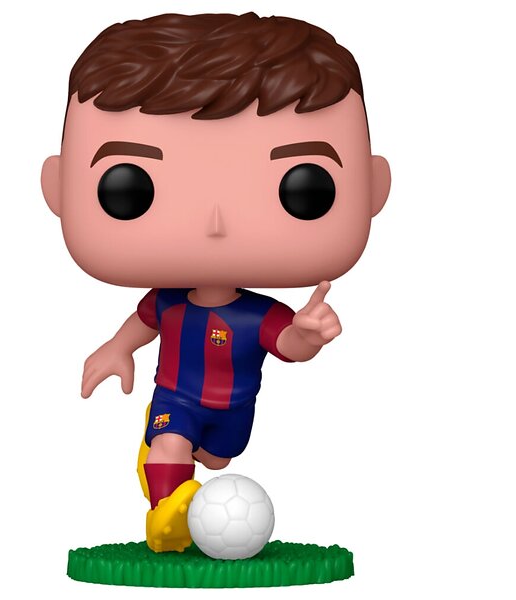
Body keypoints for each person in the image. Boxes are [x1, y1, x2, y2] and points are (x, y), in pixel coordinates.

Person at [41, 12, 391, 553]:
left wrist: (309, 333)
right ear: (58, 186)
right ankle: (166, 519)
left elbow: (288, 344)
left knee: (219, 458)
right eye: (128, 188)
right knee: (172, 445)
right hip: (176, 396)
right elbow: (143, 322)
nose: (215, 223)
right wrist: (116, 348)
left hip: (234, 408)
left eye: (304, 188)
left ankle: (170, 459)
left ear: (373, 187)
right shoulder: (169, 302)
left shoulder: (258, 313)